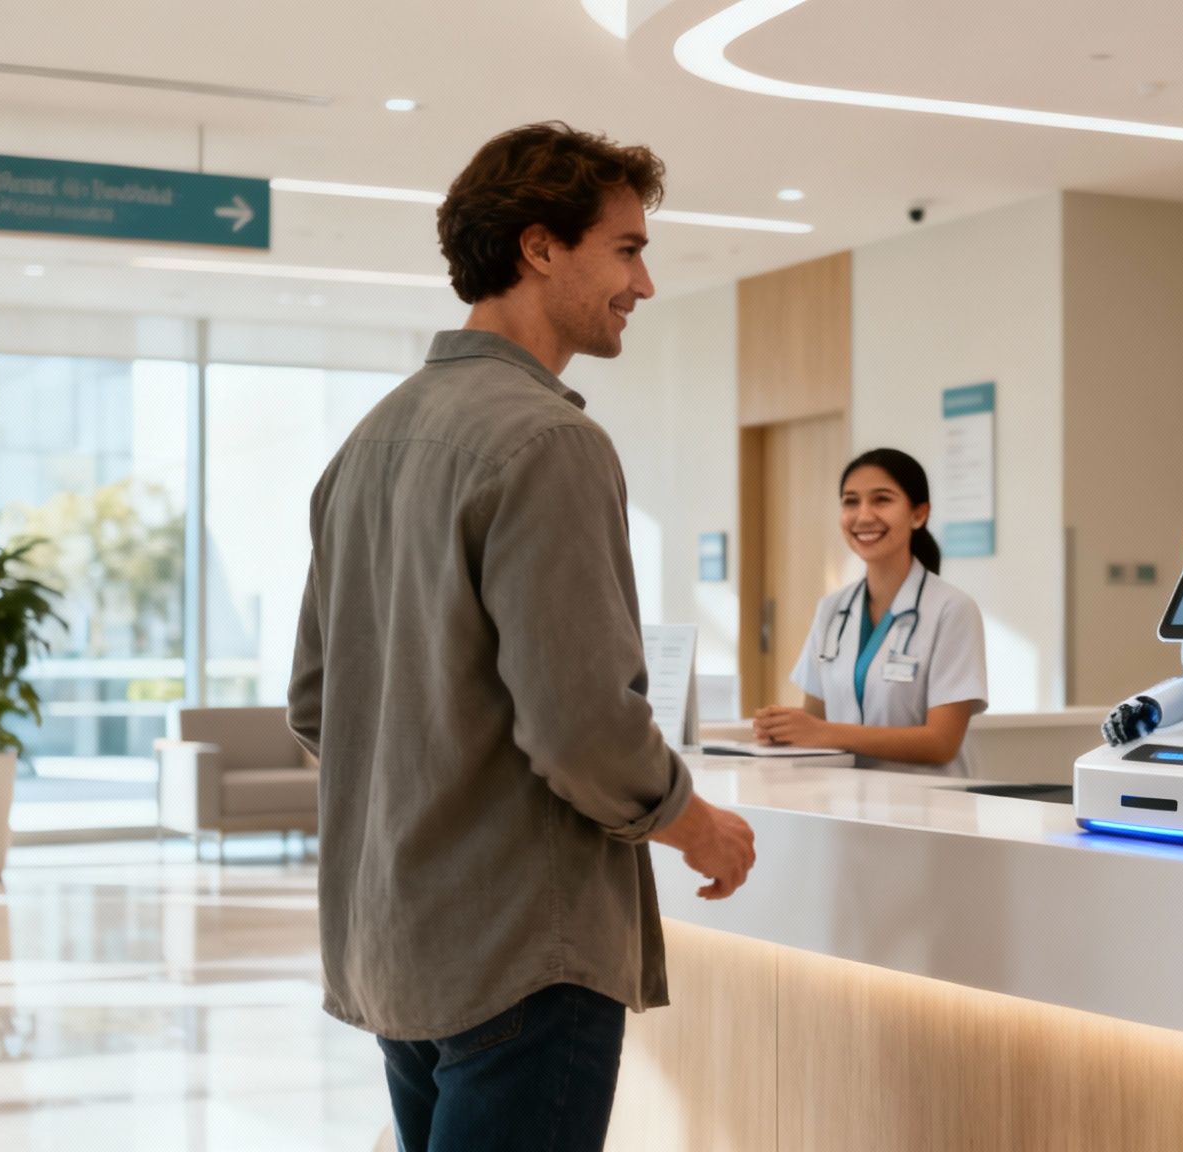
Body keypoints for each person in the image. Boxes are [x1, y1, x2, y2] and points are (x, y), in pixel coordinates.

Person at [286, 122, 756, 1152]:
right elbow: (582, 727)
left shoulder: (366, 444)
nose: (643, 283)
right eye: (626, 250)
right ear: (539, 247)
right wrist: (693, 823)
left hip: (398, 946)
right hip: (522, 955)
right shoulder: (549, 441)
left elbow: (318, 704)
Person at [753, 448, 989, 774]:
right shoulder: (832, 609)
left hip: (930, 799)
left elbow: (941, 742)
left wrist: (823, 732)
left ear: (919, 514)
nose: (863, 516)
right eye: (851, 501)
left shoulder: (952, 609)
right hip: (844, 797)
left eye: (881, 500)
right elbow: (816, 721)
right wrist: (783, 729)